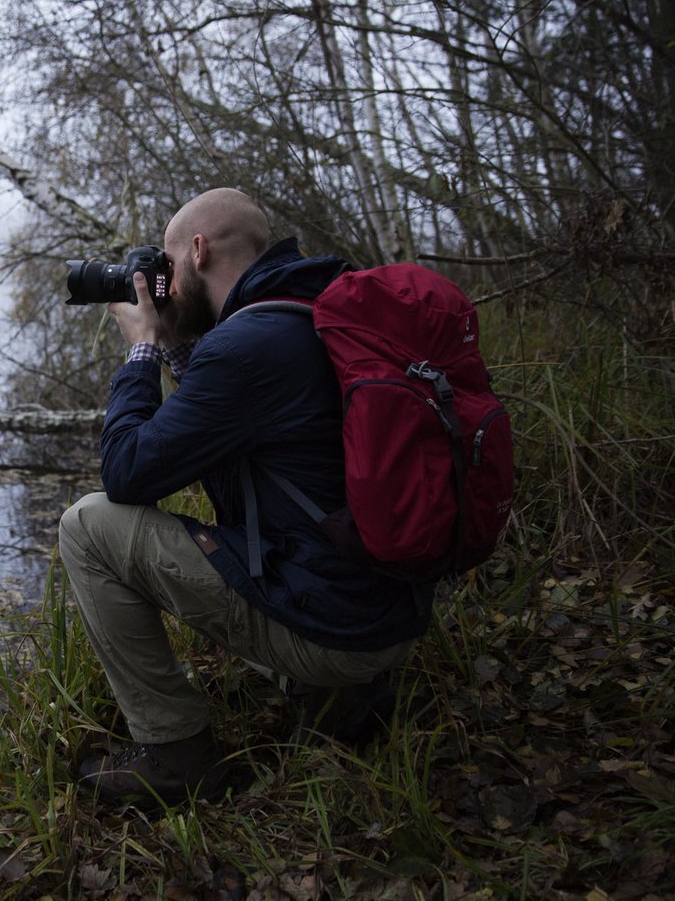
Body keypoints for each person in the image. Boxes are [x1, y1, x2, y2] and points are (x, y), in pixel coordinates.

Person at [59, 187, 432, 807]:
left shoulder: (246, 347)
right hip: (388, 614)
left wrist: (144, 347)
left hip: (337, 631)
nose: (163, 280)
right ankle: (344, 697)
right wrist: (178, 340)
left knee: (88, 525)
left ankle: (175, 754)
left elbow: (126, 472)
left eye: (168, 264)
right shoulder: (306, 311)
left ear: (199, 251)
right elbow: (221, 414)